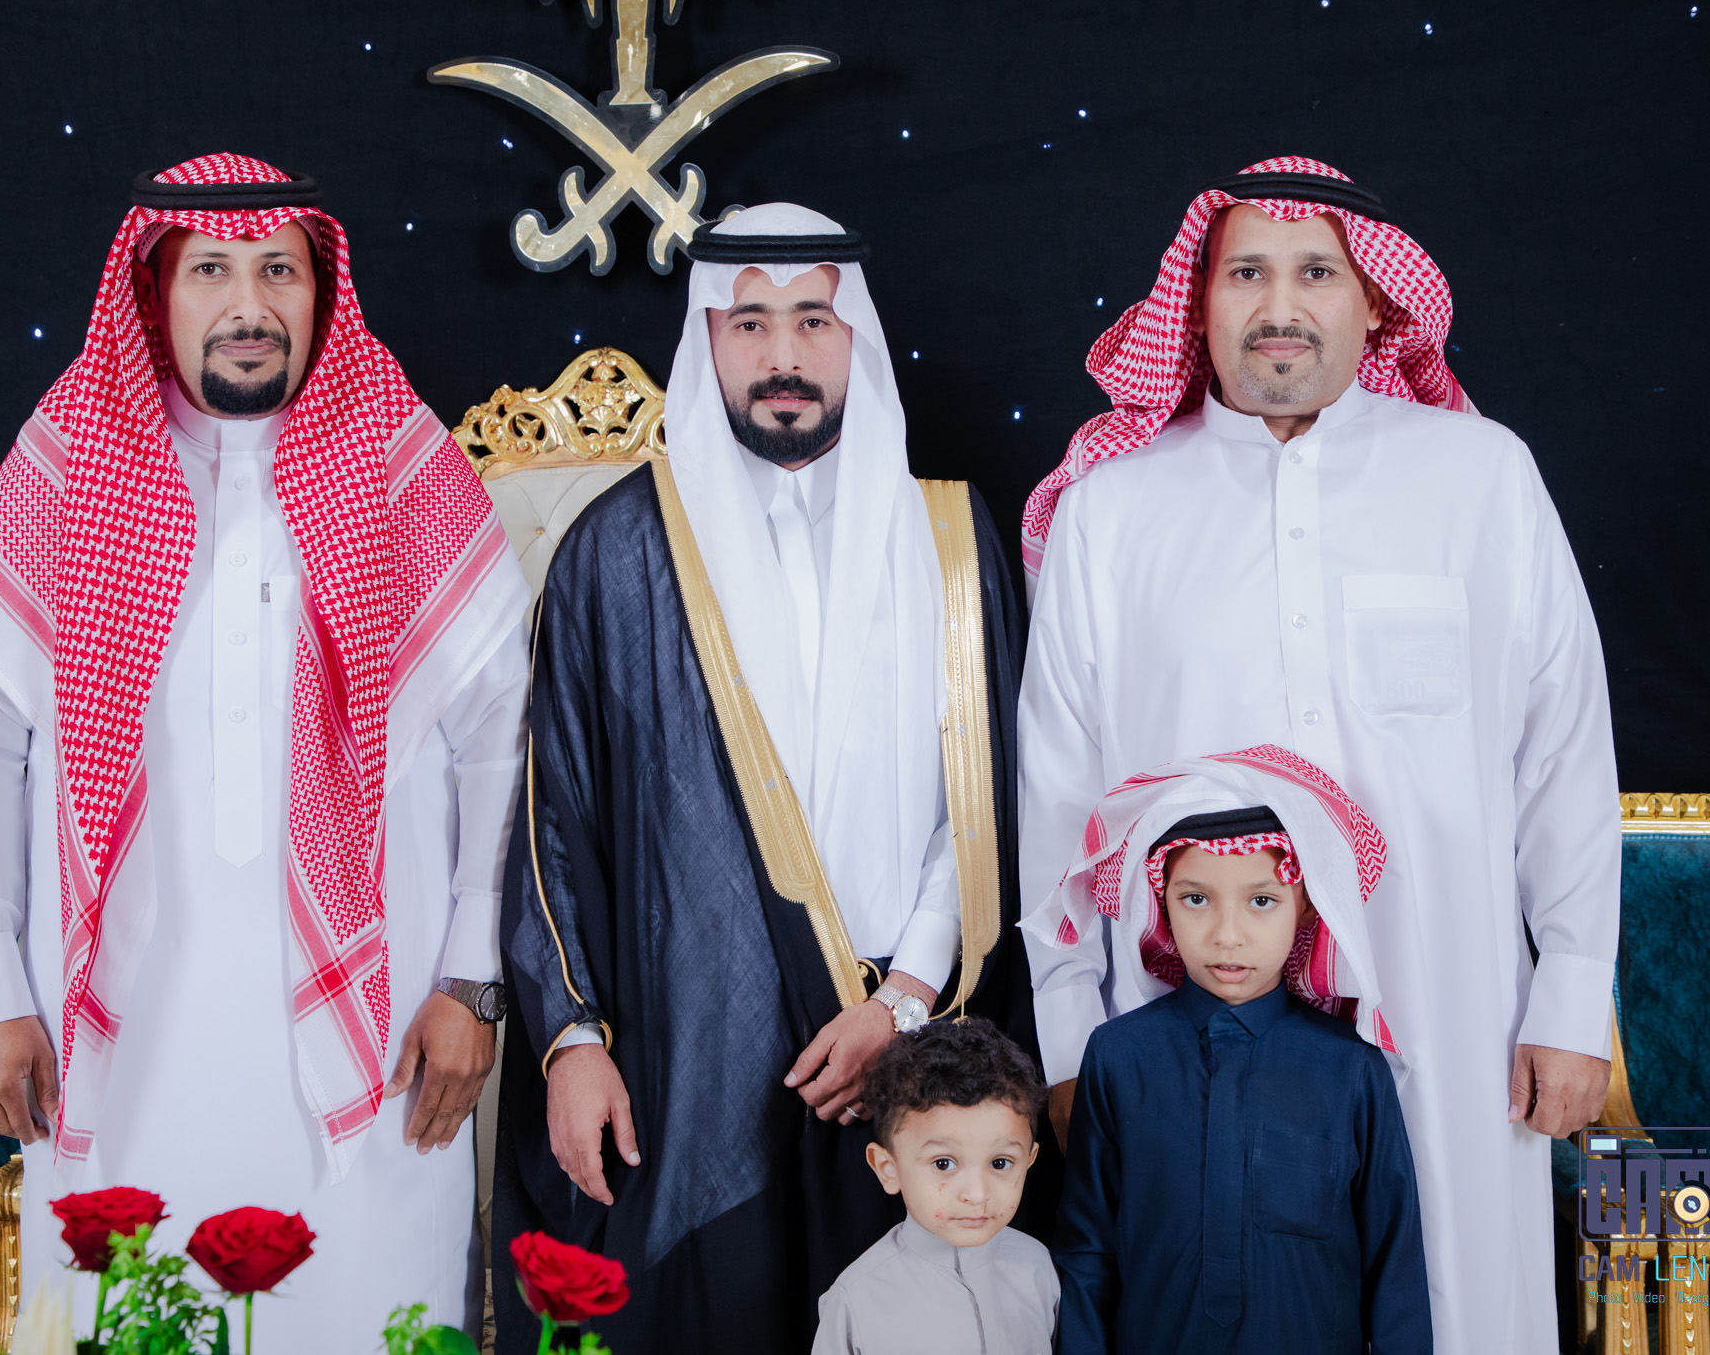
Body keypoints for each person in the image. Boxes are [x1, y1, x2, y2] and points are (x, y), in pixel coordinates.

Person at [0, 154, 529, 1349]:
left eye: (277, 272)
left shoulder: (399, 468)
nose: (249, 306)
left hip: (382, 1044)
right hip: (116, 1041)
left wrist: (469, 979)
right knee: (127, 1313)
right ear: (153, 294)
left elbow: (501, 745)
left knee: (369, 1315)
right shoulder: (67, 466)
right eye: (210, 271)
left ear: (318, 292)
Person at [1018, 156, 1618, 1354]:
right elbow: (1056, 798)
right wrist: (1071, 1039)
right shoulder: (1111, 511)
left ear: (1374, 302)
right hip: (1183, 1024)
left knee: (1454, 1298)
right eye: (1245, 273)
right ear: (1198, 301)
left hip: (1445, 998)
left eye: (1315, 273)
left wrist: (1567, 995)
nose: (1278, 306)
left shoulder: (1479, 478)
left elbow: (1561, 749)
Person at [491, 203, 1038, 1353]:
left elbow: (988, 802)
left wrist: (901, 1002)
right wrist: (571, 1042)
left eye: (810, 320)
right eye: (748, 323)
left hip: (908, 1045)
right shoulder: (617, 550)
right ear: (706, 338)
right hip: (685, 1050)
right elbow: (552, 819)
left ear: (856, 338)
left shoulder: (947, 539)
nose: (782, 353)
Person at [1031, 746, 1429, 1354]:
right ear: (1162, 902)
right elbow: (1088, 1251)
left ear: (1305, 907)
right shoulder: (1117, 1057)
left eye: (1261, 900)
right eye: (1196, 898)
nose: (1227, 935)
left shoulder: (1352, 1070)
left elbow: (1394, 1266)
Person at [813, 1018, 1058, 1355]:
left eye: (1000, 1163)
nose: (977, 1194)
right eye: (944, 1164)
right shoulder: (855, 1301)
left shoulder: (1039, 1268)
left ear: (1029, 1160)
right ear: (888, 1169)